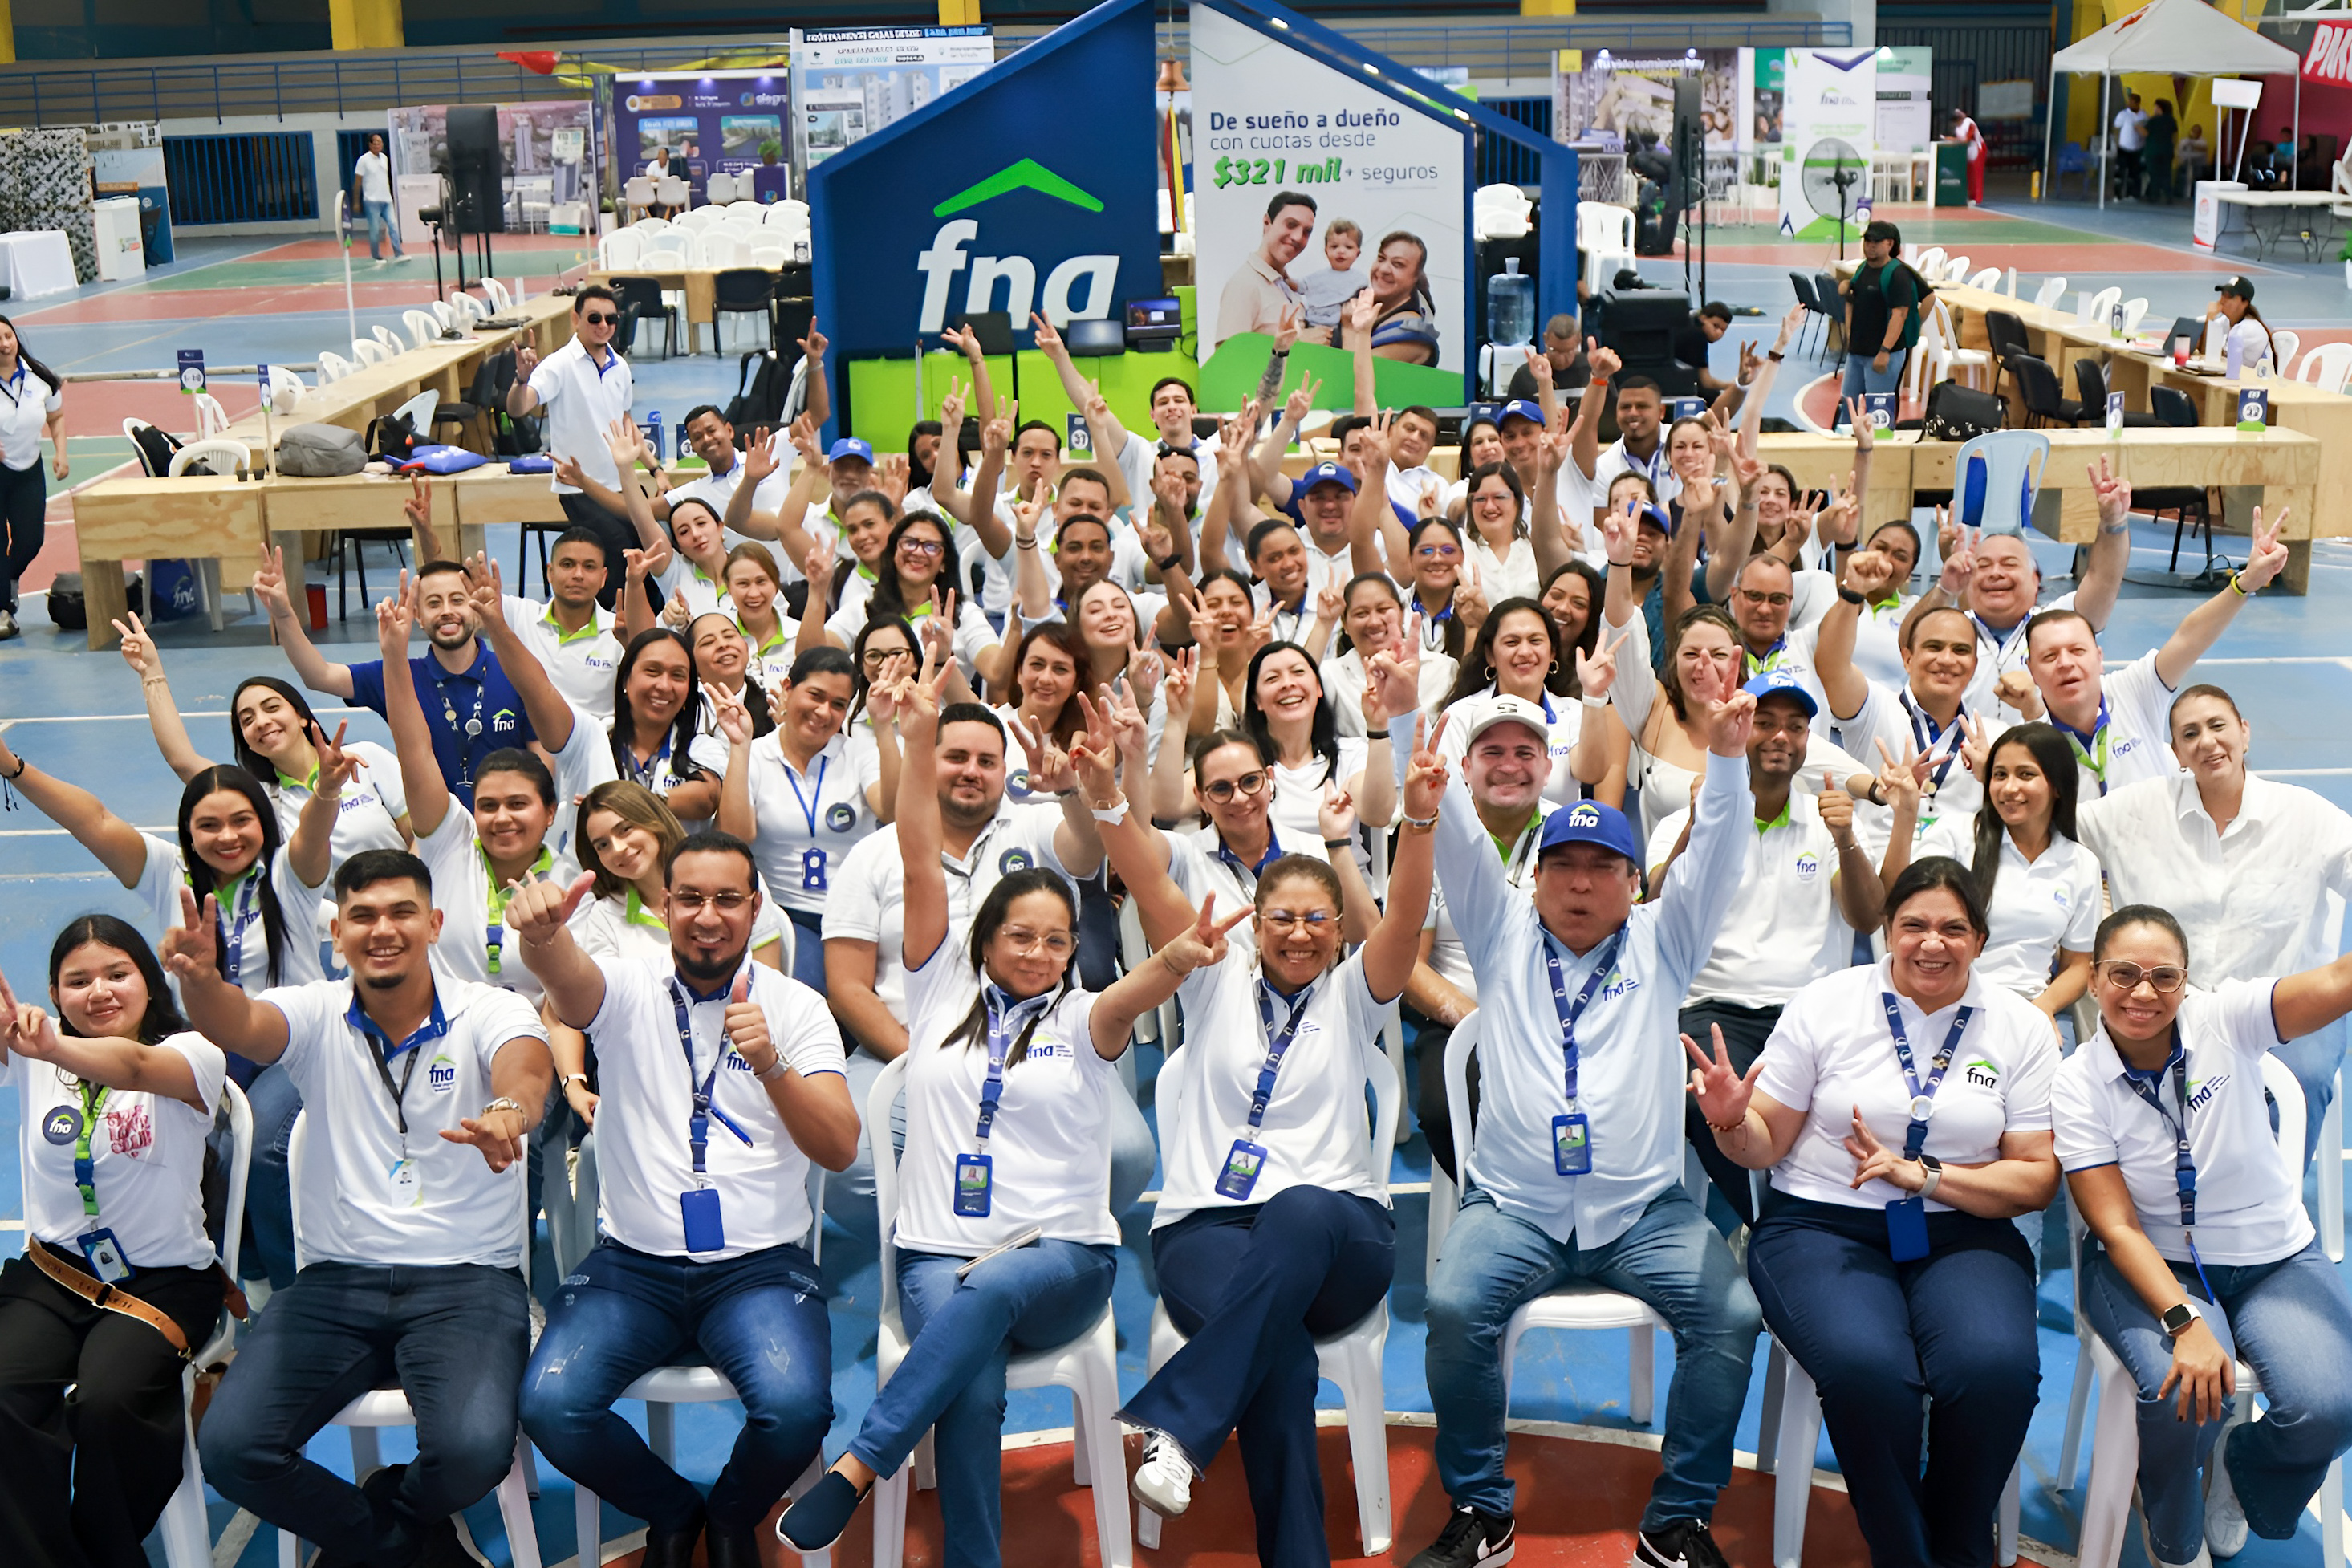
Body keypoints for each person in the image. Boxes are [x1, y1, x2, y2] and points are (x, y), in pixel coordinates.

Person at [777, 666, 1210, 1562]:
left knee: (990, 1292)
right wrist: (918, 735)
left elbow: (1147, 979)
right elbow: (913, 849)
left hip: (1062, 1260)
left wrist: (1180, 951)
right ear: (983, 942)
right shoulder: (938, 989)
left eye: (1057, 939)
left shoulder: (1085, 1015)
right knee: (969, 1373)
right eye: (1022, 935)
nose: (1042, 951)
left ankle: (860, 1465)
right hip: (936, 1248)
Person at [1083, 684, 1442, 1568]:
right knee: (1278, 1367)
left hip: (1343, 1237)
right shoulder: (1210, 975)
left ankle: (1176, 1422)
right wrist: (1104, 800)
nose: (1298, 932)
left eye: (1317, 919)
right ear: (1256, 927)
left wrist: (1420, 826)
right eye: (1280, 916)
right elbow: (1145, 874)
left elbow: (1399, 920)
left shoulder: (1355, 990)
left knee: (1302, 1206)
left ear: (1334, 931)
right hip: (1207, 1228)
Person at [1410, 678, 1763, 1568]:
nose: (1579, 883)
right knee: (1452, 1309)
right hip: (1516, 1207)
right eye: (1563, 867)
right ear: (1533, 879)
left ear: (1633, 882)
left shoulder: (1663, 941)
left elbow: (1717, 853)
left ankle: (1677, 1519)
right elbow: (1451, 833)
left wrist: (1725, 760)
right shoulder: (1496, 932)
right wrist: (1395, 729)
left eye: (1602, 869)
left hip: (1645, 1212)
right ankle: (1482, 1510)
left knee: (1731, 1313)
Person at [179, 848, 552, 1568]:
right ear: (339, 933)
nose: (383, 929)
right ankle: (394, 1543)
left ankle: (386, 1511)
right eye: (363, 916)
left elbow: (525, 1066)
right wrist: (202, 984)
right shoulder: (317, 1011)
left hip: (467, 1279)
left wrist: (508, 1108)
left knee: (474, 1453)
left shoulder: (490, 1006)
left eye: (402, 912)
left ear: (434, 923)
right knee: (230, 1447)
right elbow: (243, 1024)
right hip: (334, 1283)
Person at [1694, 857, 2061, 1568]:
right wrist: (1728, 1124)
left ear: (1980, 940)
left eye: (1953, 929)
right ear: (1885, 931)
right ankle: (1907, 1556)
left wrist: (1925, 1177)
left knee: (1994, 1369)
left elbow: (2034, 1180)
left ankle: (1954, 1546)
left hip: (1961, 1225)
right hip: (1821, 1224)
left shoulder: (2018, 1025)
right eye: (1913, 925)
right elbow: (1762, 1145)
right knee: (1868, 1372)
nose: (1932, 944)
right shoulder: (1827, 1004)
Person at [510, 829, 858, 1568]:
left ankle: (731, 1514)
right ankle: (672, 1507)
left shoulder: (797, 1008)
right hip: (631, 1267)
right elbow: (567, 979)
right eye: (691, 898)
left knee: (797, 1412)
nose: (708, 915)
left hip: (759, 1267)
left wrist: (771, 1066)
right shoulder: (627, 988)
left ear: (755, 908)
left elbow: (838, 1147)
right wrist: (543, 938)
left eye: (728, 899)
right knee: (548, 1406)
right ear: (664, 906)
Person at [2053, 905, 2352, 1568]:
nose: (2142, 992)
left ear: (2186, 982)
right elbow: (2115, 1223)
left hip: (2274, 1260)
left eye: (2163, 976)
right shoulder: (2077, 1083)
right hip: (2156, 1263)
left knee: (2330, 1407)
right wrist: (2185, 1321)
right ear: (2095, 979)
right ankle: (2173, 1538)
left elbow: (2336, 980)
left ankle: (2239, 1475)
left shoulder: (2225, 1018)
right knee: (2177, 1390)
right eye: (2123, 974)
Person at [820, 697, 1148, 1245]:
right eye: (956, 757)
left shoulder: (1040, 825)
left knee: (1129, 1157)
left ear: (1004, 770)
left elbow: (1089, 850)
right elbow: (848, 986)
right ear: (928, 759)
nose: (972, 771)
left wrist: (1071, 788)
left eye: (987, 760)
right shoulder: (873, 854)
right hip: (901, 1048)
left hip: (1047, 1040)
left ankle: (1027, 1238)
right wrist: (923, 1056)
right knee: (846, 1169)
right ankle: (933, 1246)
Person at [0, 922, 230, 1568]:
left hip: (161, 1283)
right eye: (78, 982)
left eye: (116, 975)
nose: (98, 992)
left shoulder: (192, 1052)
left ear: (147, 984)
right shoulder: (33, 1051)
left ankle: (106, 1553)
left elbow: (130, 1064)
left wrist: (51, 1048)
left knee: (109, 1404)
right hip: (54, 1277)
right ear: (54, 992)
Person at [2077, 683, 2352, 1169]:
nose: (2206, 741)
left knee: (2304, 1079)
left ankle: (2274, 1213)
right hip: (2175, 1004)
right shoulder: (2131, 810)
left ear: (2245, 733)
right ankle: (2166, 1210)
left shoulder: (2309, 816)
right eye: (2190, 733)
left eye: (2218, 726)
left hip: (2285, 1000)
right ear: (2176, 753)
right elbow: (2043, 827)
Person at [1664, 672, 1887, 1229]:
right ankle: (1782, 1230)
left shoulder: (1829, 820)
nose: (1780, 736)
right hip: (1712, 1007)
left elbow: (1866, 917)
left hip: (1815, 1014)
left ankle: (1788, 1233)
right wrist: (1696, 827)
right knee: (1705, 1100)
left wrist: (1847, 842)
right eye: (1764, 722)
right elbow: (1654, 910)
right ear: (1738, 731)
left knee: (1869, 1106)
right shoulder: (1687, 817)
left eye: (1795, 726)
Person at [2013, 499, 2287, 799]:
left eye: (2077, 651)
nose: (2065, 664)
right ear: (2032, 671)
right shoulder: (2028, 746)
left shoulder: (2134, 690)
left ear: (2099, 658)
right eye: (2050, 657)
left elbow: (2189, 638)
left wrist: (2245, 583)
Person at [255, 545, 538, 811]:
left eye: (457, 600)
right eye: (434, 603)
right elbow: (319, 675)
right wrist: (283, 613)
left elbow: (543, 761)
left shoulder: (515, 669)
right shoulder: (398, 676)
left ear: (475, 607)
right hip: (437, 832)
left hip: (507, 823)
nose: (447, 611)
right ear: (418, 616)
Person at [116, 619, 409, 870]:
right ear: (248, 742)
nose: (261, 722)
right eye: (247, 719)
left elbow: (418, 836)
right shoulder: (260, 798)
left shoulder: (364, 759)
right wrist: (151, 673)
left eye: (271, 708)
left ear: (301, 716)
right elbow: (183, 760)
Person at [1891, 722, 2098, 1019]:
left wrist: (2041, 1013)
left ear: (2057, 785)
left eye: (2025, 775)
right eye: (2000, 775)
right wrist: (1905, 812)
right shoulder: (1957, 834)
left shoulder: (2080, 863)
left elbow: (2078, 965)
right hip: (1950, 1002)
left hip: (2032, 1008)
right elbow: (1902, 907)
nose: (2009, 788)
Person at [718, 646, 879, 993]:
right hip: (786, 912)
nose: (824, 712)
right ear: (788, 689)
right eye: (815, 696)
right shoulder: (755, 752)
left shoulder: (861, 754)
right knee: (817, 990)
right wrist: (739, 748)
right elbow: (735, 835)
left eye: (839, 705)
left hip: (858, 912)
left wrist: (885, 729)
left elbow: (893, 811)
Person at [510, 286, 636, 603]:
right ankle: (611, 626)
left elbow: (626, 420)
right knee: (617, 550)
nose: (603, 325)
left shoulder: (619, 366)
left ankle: (648, 620)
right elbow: (519, 407)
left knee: (645, 545)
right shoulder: (559, 365)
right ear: (576, 318)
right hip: (578, 488)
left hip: (618, 485)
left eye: (611, 319)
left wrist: (655, 469)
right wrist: (521, 380)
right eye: (594, 318)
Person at [0, 313, 67, 640]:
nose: (3, 344)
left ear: (15, 337)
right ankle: (3, 609)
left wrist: (61, 453)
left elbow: (56, 416)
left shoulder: (39, 377)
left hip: (29, 471)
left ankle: (6, 579)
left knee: (30, 541)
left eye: (7, 336)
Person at [1215, 190, 1315, 349]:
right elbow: (1228, 361)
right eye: (1291, 225)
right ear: (1267, 223)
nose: (1297, 237)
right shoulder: (1245, 284)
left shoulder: (1286, 286)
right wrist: (1301, 342)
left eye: (1306, 231)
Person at [1838, 221, 1923, 402]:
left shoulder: (1898, 274)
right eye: (1868, 240)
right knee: (1847, 405)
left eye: (1876, 241)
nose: (1870, 245)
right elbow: (1853, 294)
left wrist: (1885, 351)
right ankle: (1845, 431)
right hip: (1857, 352)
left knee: (1878, 411)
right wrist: (1846, 286)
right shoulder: (1863, 268)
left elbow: (1899, 315)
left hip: (1882, 354)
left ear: (1890, 244)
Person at [1505, 315, 1591, 402]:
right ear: (1545, 339)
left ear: (1579, 341)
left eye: (1568, 352)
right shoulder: (1525, 375)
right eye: (1554, 350)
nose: (1560, 360)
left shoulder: (1589, 370)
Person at [2204, 277, 2275, 374]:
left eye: (2229, 295)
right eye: (2223, 294)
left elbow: (2213, 358)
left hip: (2253, 385)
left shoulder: (2249, 329)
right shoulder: (2226, 321)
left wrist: (2209, 320)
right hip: (2235, 378)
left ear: (2244, 303)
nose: (2222, 299)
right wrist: (2209, 320)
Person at [350, 132, 403, 263]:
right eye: (376, 142)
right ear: (370, 144)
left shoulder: (384, 158)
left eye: (380, 142)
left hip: (387, 200)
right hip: (371, 201)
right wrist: (356, 202)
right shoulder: (363, 160)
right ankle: (376, 256)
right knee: (374, 230)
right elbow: (357, 182)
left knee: (393, 225)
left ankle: (398, 253)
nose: (378, 144)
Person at [1673, 302, 1735, 395]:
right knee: (1713, 396)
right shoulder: (1699, 337)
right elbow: (1707, 382)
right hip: (1672, 382)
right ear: (1703, 318)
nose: (1718, 333)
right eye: (1715, 326)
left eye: (1723, 330)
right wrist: (1733, 385)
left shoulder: (1689, 323)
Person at [1947, 107, 1987, 206]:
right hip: (1968, 151)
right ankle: (1970, 196)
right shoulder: (1957, 128)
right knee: (1969, 174)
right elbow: (1959, 139)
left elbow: (1967, 139)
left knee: (1977, 174)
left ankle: (1977, 198)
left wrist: (1952, 140)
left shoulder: (1969, 123)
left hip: (1977, 149)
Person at [2144, 99, 2179, 204]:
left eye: (2156, 107)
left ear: (2160, 108)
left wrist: (2136, 127)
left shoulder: (2153, 120)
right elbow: (2175, 136)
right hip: (2167, 151)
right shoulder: (2171, 120)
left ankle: (2154, 195)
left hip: (2153, 151)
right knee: (2166, 173)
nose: (2154, 109)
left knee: (2154, 173)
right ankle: (2168, 195)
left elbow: (2146, 133)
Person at [2114, 92, 2148, 200]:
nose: (2129, 104)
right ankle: (2118, 195)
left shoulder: (2144, 115)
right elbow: (2116, 128)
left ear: (2138, 103)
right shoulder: (2123, 114)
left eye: (2132, 102)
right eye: (2129, 102)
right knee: (2120, 172)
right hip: (2124, 148)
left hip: (2137, 149)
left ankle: (2133, 195)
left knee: (2135, 173)